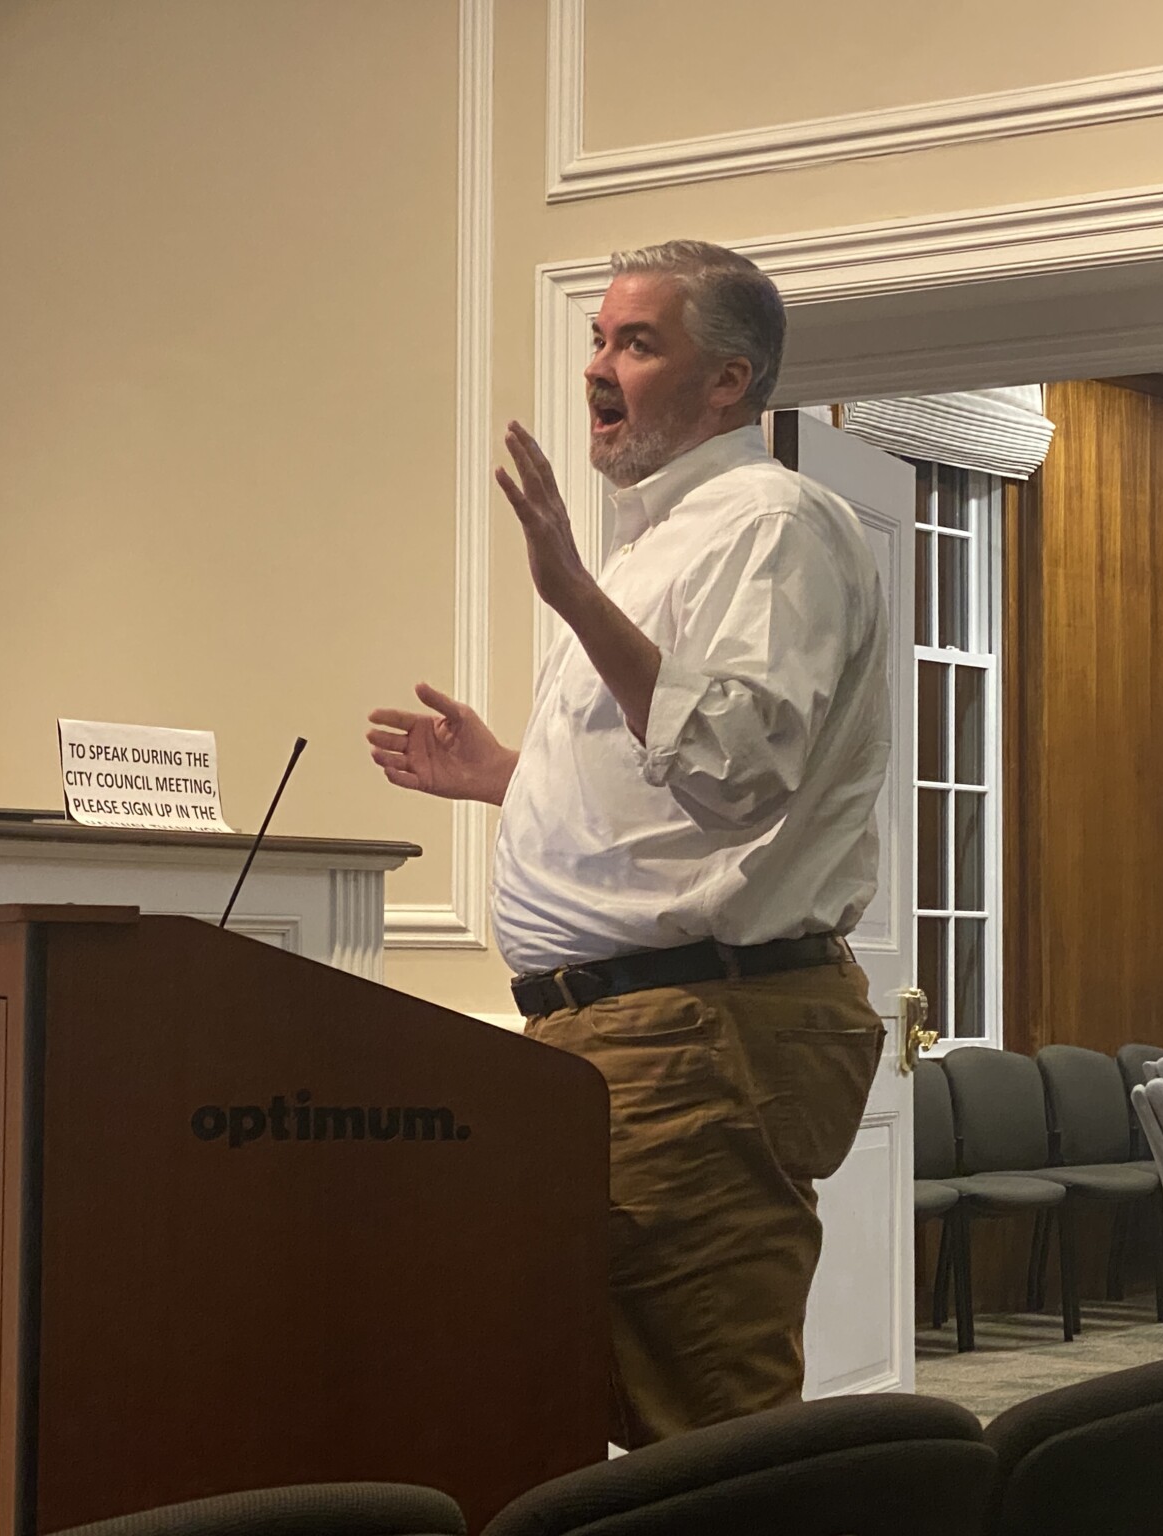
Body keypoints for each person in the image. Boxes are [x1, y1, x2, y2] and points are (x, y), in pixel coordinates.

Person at [368, 240, 889, 1447]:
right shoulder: (662, 538)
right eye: (596, 338)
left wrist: (570, 595)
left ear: (727, 380)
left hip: (695, 1035)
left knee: (706, 1439)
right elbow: (666, 805)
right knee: (614, 1417)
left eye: (636, 342)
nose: (597, 367)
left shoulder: (769, 523)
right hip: (615, 1033)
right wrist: (516, 779)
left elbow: (738, 765)